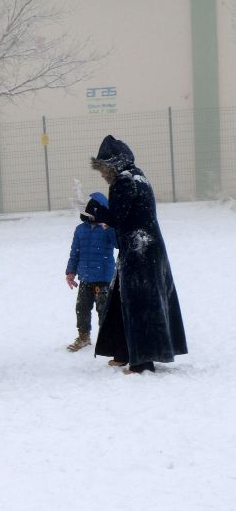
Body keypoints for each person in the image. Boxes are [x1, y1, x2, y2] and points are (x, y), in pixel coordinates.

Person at [85, 135, 187, 374]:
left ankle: (141, 361)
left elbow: (117, 219)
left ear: (114, 164)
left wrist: (91, 209)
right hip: (148, 248)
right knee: (124, 300)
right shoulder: (139, 177)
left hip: (138, 251)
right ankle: (123, 352)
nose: (102, 174)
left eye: (103, 168)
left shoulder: (124, 181)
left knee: (139, 304)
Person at [65, 193, 117, 352]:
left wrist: (111, 227)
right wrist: (71, 272)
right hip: (85, 278)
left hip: (103, 278)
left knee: (104, 310)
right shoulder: (80, 230)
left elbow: (118, 243)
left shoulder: (107, 229)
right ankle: (83, 336)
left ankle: (107, 338)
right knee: (81, 308)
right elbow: (75, 252)